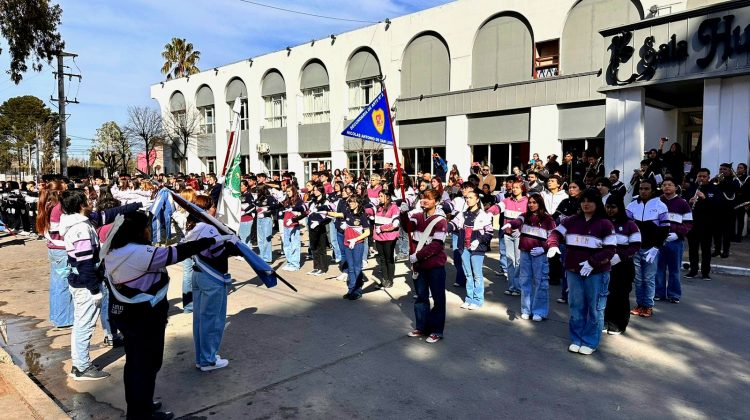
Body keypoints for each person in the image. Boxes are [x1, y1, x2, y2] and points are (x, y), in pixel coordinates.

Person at [104, 211, 230, 419]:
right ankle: (141, 414)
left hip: (127, 315)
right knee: (145, 365)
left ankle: (141, 404)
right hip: (142, 317)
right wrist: (208, 240)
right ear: (137, 231)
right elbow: (176, 253)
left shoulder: (115, 250)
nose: (149, 230)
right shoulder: (138, 253)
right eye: (146, 227)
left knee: (137, 363)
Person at [548, 189, 616, 355]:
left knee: (594, 308)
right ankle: (577, 338)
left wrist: (592, 262)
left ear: (597, 203)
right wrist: (553, 244)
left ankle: (590, 341)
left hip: (596, 272)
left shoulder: (605, 224)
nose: (586, 204)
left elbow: (611, 250)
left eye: (590, 201)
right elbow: (555, 232)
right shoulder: (571, 220)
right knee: (576, 306)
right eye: (583, 200)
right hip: (573, 271)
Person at [59, 189, 108, 380]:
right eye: (87, 200)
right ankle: (81, 367)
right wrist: (94, 289)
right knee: (84, 325)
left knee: (82, 323)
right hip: (85, 284)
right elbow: (85, 262)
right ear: (81, 205)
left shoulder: (78, 223)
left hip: (82, 282)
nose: (91, 202)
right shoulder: (80, 229)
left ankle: (81, 362)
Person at [186, 195, 238, 372]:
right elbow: (217, 253)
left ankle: (202, 357)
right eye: (214, 206)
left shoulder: (195, 227)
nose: (215, 209)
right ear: (207, 209)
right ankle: (208, 359)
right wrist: (232, 244)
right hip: (211, 276)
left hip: (199, 275)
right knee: (212, 320)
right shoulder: (208, 228)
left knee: (200, 319)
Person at [402, 189, 448, 343]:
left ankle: (436, 331)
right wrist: (402, 214)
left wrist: (418, 255)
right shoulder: (417, 216)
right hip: (419, 266)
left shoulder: (441, 221)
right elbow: (408, 228)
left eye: (428, 198)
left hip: (435, 265)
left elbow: (436, 246)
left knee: (438, 299)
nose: (424, 201)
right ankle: (421, 327)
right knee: (421, 297)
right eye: (423, 198)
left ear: (436, 201)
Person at [504, 193, 556, 321]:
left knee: (540, 282)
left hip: (539, 254)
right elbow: (518, 221)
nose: (532, 205)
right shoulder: (525, 216)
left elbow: (553, 237)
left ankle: (539, 311)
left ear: (540, 203)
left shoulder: (548, 219)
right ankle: (526, 309)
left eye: (535, 202)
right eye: (530, 202)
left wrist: (544, 249)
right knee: (525, 281)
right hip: (525, 252)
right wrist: (511, 224)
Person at [626, 179, 670, 318]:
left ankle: (648, 306)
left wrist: (656, 247)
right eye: (641, 188)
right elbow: (627, 226)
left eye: (646, 189)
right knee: (638, 279)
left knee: (649, 278)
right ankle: (639, 305)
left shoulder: (661, 206)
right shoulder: (632, 205)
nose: (643, 191)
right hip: (636, 248)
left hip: (651, 249)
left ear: (652, 190)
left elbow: (665, 228)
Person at [36, 180, 74, 329]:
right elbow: (61, 229)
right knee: (63, 284)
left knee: (56, 284)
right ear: (59, 192)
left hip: (54, 249)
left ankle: (57, 316)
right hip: (61, 250)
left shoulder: (47, 205)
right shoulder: (59, 207)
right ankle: (63, 319)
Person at [448, 188, 493, 310]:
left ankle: (478, 300)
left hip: (477, 249)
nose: (468, 200)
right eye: (466, 198)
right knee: (468, 274)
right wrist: (443, 228)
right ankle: (469, 298)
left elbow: (489, 233)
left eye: (471, 198)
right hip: (464, 248)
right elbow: (452, 224)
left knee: (477, 275)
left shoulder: (484, 215)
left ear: (477, 199)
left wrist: (479, 240)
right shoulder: (462, 214)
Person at [603, 196, 640, 335]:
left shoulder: (629, 224)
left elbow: (635, 246)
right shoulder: (602, 222)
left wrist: (621, 256)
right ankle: (605, 320)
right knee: (606, 293)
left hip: (623, 265)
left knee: (620, 295)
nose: (610, 210)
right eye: (608, 207)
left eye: (613, 207)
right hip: (605, 264)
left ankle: (618, 323)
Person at [655, 177, 692, 303]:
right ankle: (659, 293)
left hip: (675, 241)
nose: (666, 187)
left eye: (670, 185)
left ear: (676, 187)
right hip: (659, 240)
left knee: (674, 269)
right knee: (658, 268)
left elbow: (688, 223)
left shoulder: (682, 203)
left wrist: (678, 234)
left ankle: (674, 294)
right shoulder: (657, 202)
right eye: (664, 185)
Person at [685, 168, 721, 279]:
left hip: (707, 225)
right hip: (693, 224)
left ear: (708, 177)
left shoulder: (714, 189)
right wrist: (689, 202)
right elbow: (684, 203)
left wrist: (705, 198)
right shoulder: (692, 188)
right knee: (693, 249)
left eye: (704, 176)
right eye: (699, 176)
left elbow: (718, 206)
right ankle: (693, 270)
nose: (701, 178)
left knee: (706, 250)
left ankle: (705, 272)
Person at [499, 180, 528, 296]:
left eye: (517, 187)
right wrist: (489, 213)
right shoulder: (507, 200)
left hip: (519, 235)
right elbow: (497, 207)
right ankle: (511, 287)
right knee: (510, 261)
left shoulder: (527, 202)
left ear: (522, 189)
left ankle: (519, 287)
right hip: (507, 234)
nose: (514, 189)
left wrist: (521, 231)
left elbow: (529, 219)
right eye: (513, 187)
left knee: (518, 261)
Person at [341, 195, 370, 300]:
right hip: (347, 244)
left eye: (353, 202)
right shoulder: (347, 213)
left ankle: (357, 291)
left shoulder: (362, 216)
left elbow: (367, 232)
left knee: (357, 267)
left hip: (357, 244)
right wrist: (326, 212)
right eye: (350, 202)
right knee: (351, 267)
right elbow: (337, 214)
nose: (350, 204)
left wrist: (356, 239)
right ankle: (351, 289)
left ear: (358, 203)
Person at [373, 189, 400, 288]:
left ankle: (390, 280)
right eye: (378, 196)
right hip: (378, 237)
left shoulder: (394, 207)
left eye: (381, 196)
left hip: (389, 237)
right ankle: (384, 279)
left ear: (387, 197)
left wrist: (382, 228)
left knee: (389, 259)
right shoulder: (378, 207)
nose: (379, 198)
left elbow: (395, 224)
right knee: (382, 259)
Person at [280, 185, 306, 271]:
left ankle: (295, 264)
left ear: (294, 191)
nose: (288, 193)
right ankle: (289, 262)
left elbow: (303, 213)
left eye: (289, 191)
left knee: (294, 244)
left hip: (293, 225)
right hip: (285, 224)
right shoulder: (286, 200)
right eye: (287, 191)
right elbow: (279, 206)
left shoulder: (298, 201)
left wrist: (294, 219)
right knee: (287, 245)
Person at [307, 183, 331, 276]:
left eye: (317, 190)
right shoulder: (312, 201)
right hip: (312, 226)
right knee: (314, 247)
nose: (315, 191)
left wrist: (319, 222)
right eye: (314, 190)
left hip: (320, 227)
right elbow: (308, 212)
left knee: (321, 247)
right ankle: (316, 267)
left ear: (321, 190)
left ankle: (323, 268)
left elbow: (328, 217)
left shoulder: (325, 201)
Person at [254, 185, 278, 263]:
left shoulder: (270, 198)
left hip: (266, 219)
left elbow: (274, 207)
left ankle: (267, 258)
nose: (257, 192)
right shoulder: (258, 198)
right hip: (259, 219)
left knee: (266, 238)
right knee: (260, 239)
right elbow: (253, 205)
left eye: (259, 190)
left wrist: (266, 211)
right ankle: (262, 255)